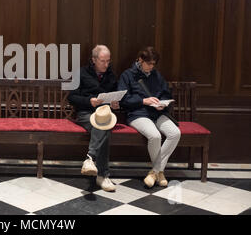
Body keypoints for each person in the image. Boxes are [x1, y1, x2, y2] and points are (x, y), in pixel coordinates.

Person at [118, 46, 181, 188]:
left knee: (175, 133)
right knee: (155, 136)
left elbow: (166, 94)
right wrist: (143, 101)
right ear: (140, 60)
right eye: (149, 63)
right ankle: (159, 172)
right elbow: (123, 100)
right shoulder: (127, 75)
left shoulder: (156, 75)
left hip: (157, 113)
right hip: (137, 114)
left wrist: (163, 104)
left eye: (154, 64)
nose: (151, 67)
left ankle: (155, 171)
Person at [68, 45, 119, 192]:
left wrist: (116, 104)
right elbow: (72, 97)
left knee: (103, 123)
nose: (106, 64)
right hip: (86, 113)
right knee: (104, 127)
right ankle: (102, 175)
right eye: (102, 61)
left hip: (105, 113)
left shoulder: (111, 75)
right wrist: (89, 100)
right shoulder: (81, 73)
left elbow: (116, 95)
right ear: (94, 60)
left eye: (108, 61)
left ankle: (90, 159)